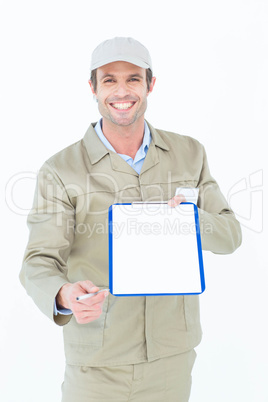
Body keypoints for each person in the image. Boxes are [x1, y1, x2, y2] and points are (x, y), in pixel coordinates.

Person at [20, 37, 242, 402]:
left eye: (133, 79)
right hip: (97, 360)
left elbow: (230, 236)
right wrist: (64, 294)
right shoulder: (60, 170)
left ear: (150, 84)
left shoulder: (189, 153)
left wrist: (188, 220)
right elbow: (38, 262)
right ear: (92, 87)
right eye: (109, 80)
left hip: (171, 357)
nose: (122, 91)